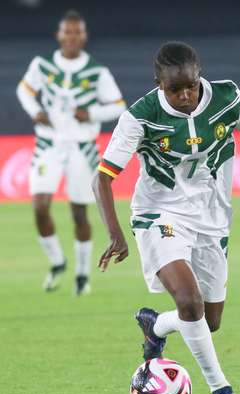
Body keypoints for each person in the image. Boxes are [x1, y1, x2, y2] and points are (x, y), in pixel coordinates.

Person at [93, 41, 240, 394]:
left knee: (209, 320)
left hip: (213, 218)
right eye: (174, 89)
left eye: (191, 86)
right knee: (190, 301)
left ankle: (156, 326)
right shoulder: (140, 117)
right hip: (158, 215)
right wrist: (116, 233)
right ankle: (221, 390)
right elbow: (102, 178)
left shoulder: (227, 97)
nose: (185, 96)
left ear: (200, 76)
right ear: (158, 83)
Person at [16, 10, 126, 296]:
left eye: (78, 32)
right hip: (48, 145)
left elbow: (118, 105)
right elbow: (24, 91)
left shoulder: (97, 72)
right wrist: (35, 111)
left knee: (79, 213)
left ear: (84, 36)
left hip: (82, 147)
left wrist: (90, 113)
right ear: (60, 35)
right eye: (68, 32)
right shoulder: (42, 65)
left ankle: (81, 273)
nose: (73, 37)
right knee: (40, 207)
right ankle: (57, 263)